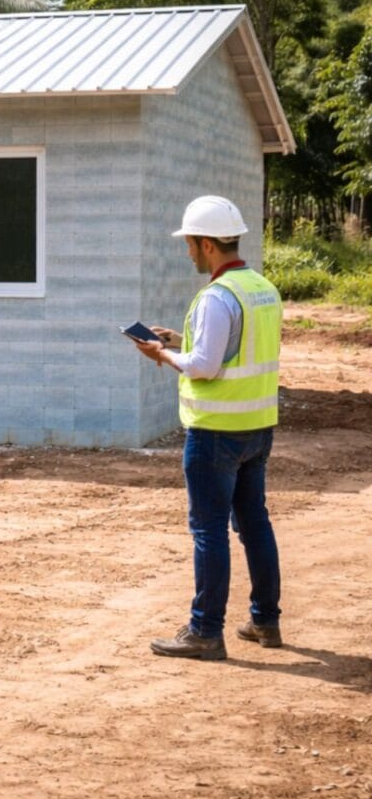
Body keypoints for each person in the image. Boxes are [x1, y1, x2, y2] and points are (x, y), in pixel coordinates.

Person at [133, 195, 284, 661]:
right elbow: (235, 350)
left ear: (206, 244)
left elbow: (203, 368)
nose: (188, 253)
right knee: (254, 522)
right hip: (257, 427)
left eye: (191, 245)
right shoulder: (261, 288)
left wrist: (162, 354)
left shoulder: (216, 297)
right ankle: (265, 621)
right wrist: (182, 340)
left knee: (209, 530)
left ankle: (205, 631)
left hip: (216, 432)